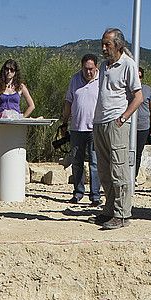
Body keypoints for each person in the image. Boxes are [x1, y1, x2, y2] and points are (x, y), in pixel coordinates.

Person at [91, 28, 143, 230]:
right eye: (102, 44)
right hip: (100, 122)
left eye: (108, 44)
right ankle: (110, 210)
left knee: (119, 169)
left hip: (116, 122)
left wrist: (123, 118)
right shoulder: (104, 66)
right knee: (104, 170)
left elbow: (138, 96)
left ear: (118, 45)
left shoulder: (128, 65)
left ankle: (122, 214)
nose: (104, 48)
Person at [62, 54, 101, 206]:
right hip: (77, 127)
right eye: (85, 69)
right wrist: (64, 123)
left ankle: (95, 195)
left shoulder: (101, 80)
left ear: (96, 67)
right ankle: (78, 193)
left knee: (95, 162)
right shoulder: (75, 80)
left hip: (94, 128)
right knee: (77, 162)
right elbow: (68, 102)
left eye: (91, 69)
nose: (88, 72)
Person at [133, 69, 151, 182]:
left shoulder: (147, 90)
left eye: (140, 76)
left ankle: (133, 177)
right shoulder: (127, 89)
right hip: (128, 125)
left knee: (138, 153)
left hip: (143, 127)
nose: (138, 79)